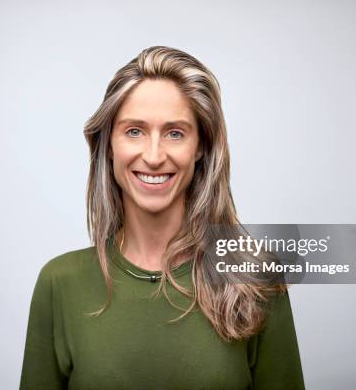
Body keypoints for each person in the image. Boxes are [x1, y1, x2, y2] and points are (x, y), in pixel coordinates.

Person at [20, 46, 305, 389]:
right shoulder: (59, 284)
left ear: (201, 146)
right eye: (134, 131)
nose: (154, 156)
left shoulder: (258, 281)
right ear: (109, 144)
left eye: (175, 133)